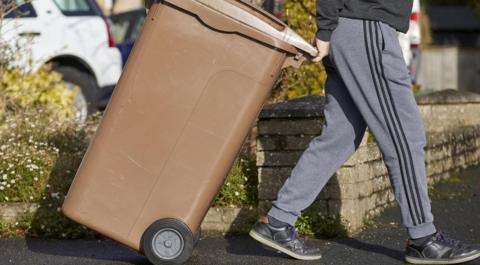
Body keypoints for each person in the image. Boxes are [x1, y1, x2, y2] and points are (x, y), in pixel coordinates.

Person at [249, 0, 480, 264]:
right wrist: (325, 28)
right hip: (366, 28)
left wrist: (329, 28)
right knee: (405, 136)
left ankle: (277, 221)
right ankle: (423, 239)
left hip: (354, 30)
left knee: (340, 137)